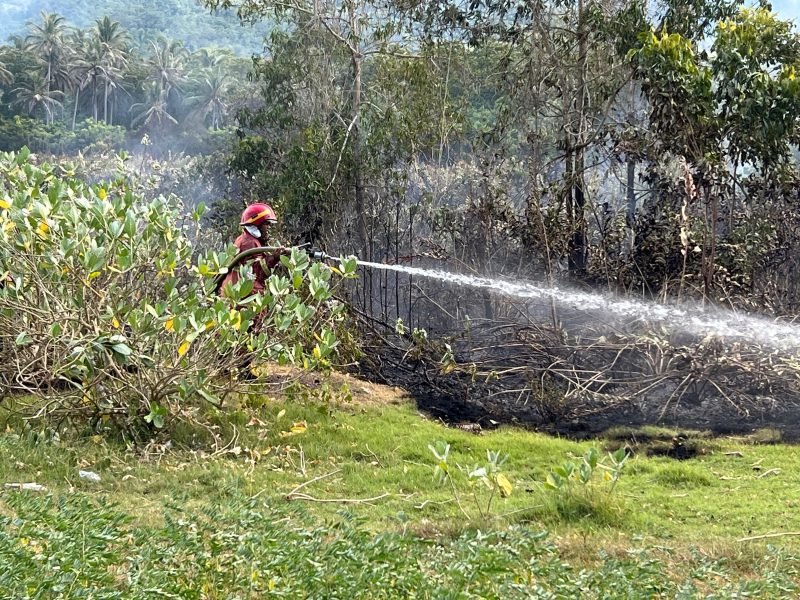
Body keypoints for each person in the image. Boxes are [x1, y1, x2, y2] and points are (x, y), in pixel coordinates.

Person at [220, 202, 286, 297]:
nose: (269, 228)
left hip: (236, 290)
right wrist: (274, 258)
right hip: (243, 295)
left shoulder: (246, 238)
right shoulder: (249, 242)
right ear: (257, 224)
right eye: (267, 224)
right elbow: (257, 272)